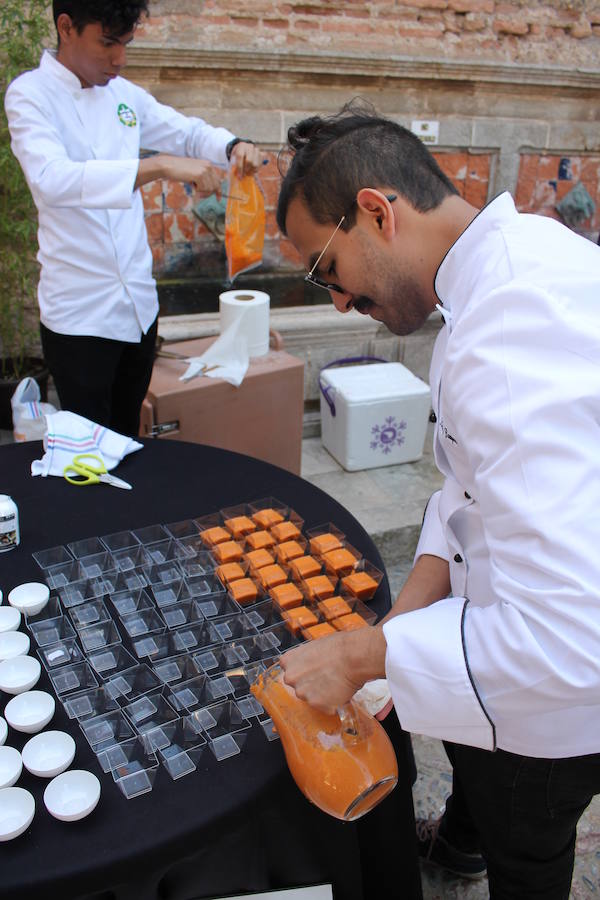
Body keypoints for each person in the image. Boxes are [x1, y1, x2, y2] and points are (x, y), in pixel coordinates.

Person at [276, 103, 600, 899]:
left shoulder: (507, 336)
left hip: (552, 713)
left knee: (526, 849)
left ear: (378, 214)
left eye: (325, 269)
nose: (338, 304)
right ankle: (461, 843)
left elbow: (565, 641)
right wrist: (406, 612)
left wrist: (362, 656)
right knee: (480, 796)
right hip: (508, 640)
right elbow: (469, 491)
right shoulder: (518, 257)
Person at [5, 0, 261, 437]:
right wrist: (158, 167)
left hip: (138, 309)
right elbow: (51, 180)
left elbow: (184, 131)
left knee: (129, 439)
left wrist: (232, 145)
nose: (119, 59)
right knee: (86, 450)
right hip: (80, 317)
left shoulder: (123, 96)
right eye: (107, 43)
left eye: (125, 43)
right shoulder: (30, 94)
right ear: (66, 27)